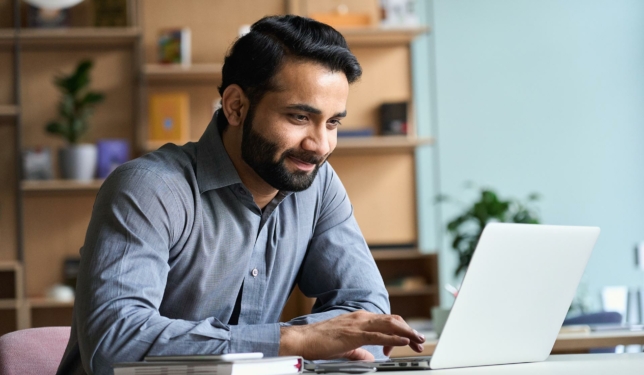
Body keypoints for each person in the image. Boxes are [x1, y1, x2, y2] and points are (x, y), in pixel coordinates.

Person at [56, 15, 425, 375]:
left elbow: (367, 310)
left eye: (333, 122)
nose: (320, 145)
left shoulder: (318, 184)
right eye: (299, 117)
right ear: (235, 107)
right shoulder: (148, 188)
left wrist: (316, 342)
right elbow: (114, 345)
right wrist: (290, 341)